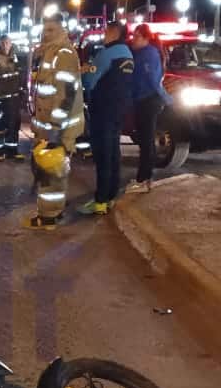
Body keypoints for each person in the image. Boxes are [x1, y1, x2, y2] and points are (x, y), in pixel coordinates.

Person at [26, 15, 83, 229]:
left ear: (61, 30)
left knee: (53, 173)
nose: (45, 33)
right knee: (47, 172)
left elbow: (66, 96)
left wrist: (56, 131)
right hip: (47, 127)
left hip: (57, 128)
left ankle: (49, 216)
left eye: (51, 29)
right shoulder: (49, 52)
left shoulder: (64, 54)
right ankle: (50, 212)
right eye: (44, 29)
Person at [79, 22, 134, 216]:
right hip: (120, 109)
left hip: (103, 109)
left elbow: (89, 81)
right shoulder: (128, 53)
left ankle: (100, 201)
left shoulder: (106, 54)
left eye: (106, 32)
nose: (103, 36)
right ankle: (111, 196)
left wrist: (85, 71)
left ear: (112, 32)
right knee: (113, 153)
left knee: (103, 155)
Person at [129, 23, 173, 192]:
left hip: (148, 100)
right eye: (134, 35)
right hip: (143, 100)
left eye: (137, 36)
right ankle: (145, 179)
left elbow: (153, 81)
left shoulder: (149, 55)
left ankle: (143, 179)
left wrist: (166, 99)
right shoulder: (140, 53)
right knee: (145, 141)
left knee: (147, 142)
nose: (134, 39)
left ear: (146, 38)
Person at [0, 35, 25, 161]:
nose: (5, 45)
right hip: (0, 98)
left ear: (11, 44)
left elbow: (18, 75)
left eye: (7, 43)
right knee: (0, 125)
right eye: (3, 43)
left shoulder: (14, 58)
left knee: (14, 124)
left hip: (13, 98)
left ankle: (12, 151)